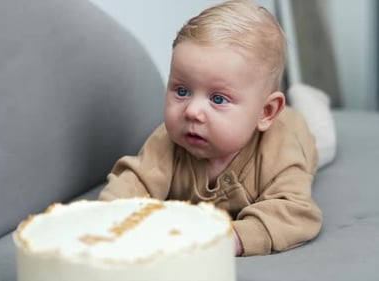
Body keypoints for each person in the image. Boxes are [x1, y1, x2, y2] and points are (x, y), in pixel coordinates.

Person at [98, 0, 322, 257]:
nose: (192, 111)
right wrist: (110, 217)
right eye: (182, 91)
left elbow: (296, 213)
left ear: (266, 112)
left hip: (301, 134)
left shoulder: (281, 152)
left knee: (320, 131)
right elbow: (134, 181)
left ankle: (309, 98)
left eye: (218, 99)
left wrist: (235, 237)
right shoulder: (170, 140)